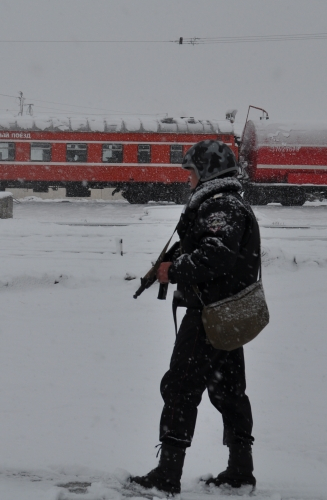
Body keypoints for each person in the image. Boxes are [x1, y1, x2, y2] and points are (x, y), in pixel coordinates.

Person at [129, 140, 261, 496]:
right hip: (226, 313)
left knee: (181, 388)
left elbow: (215, 256)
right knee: (228, 390)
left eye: (191, 171)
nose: (187, 178)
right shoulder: (226, 203)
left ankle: (167, 475)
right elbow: (209, 247)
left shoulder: (220, 205)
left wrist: (174, 270)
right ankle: (239, 469)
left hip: (210, 314)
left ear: (208, 171)